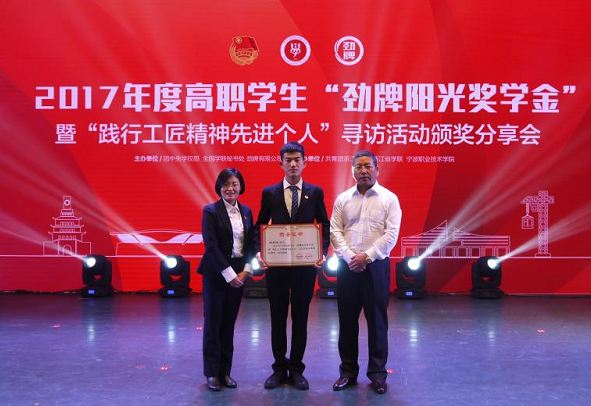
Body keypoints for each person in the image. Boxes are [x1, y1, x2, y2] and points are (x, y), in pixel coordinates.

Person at [253, 142, 330, 390]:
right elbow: (260, 225)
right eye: (288, 160)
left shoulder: (315, 192)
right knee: (277, 317)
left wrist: (322, 252)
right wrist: (259, 251)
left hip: (305, 268)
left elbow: (324, 225)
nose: (293, 164)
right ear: (281, 164)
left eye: (297, 159)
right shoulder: (270, 192)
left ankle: (296, 369)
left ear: (305, 162)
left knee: (300, 317)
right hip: (276, 267)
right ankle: (278, 368)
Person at [329, 150, 402, 394]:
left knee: (377, 321)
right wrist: (351, 257)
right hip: (347, 267)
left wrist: (366, 257)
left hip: (376, 267)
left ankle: (378, 374)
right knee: (347, 321)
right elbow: (335, 232)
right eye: (358, 167)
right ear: (352, 171)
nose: (363, 171)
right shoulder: (343, 199)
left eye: (368, 166)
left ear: (377, 169)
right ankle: (347, 373)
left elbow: (391, 235)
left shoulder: (389, 199)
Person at [197, 168, 254, 392]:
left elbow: (251, 246)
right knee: (213, 323)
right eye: (226, 184)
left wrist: (246, 272)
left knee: (229, 324)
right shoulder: (210, 211)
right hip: (216, 274)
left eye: (234, 184)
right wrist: (229, 275)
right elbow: (211, 246)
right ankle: (212, 373)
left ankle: (225, 372)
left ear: (241, 187)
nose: (230, 188)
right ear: (219, 187)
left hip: (239, 276)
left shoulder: (247, 211)